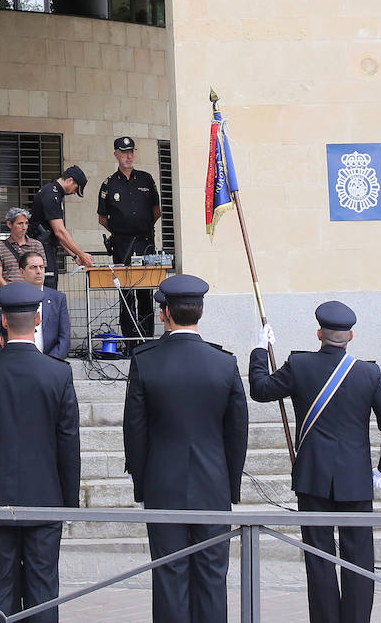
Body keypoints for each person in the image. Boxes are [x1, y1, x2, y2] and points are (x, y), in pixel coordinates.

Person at [249, 301, 381, 623]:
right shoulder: (368, 372)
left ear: (319, 333)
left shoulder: (299, 365)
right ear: (351, 336)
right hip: (355, 480)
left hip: (313, 477)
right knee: (359, 559)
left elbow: (260, 389)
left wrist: (260, 350)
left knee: (318, 558)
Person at [124, 274, 247, 623]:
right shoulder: (224, 363)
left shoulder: (146, 359)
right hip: (213, 485)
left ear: (164, 313)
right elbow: (237, 431)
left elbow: (135, 429)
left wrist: (141, 485)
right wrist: (230, 485)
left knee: (169, 575)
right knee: (212, 576)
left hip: (163, 484)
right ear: (201, 313)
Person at [0, 282, 80, 623]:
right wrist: (69, 502)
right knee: (43, 591)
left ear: (3, 321)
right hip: (45, 499)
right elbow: (68, 442)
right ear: (38, 319)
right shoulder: (58, 372)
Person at [96, 136, 161, 339]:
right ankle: (130, 340)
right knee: (125, 294)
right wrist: (122, 230)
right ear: (116, 154)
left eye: (131, 151)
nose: (129, 156)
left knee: (145, 292)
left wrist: (141, 227)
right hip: (122, 245)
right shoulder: (108, 184)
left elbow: (156, 211)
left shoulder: (146, 179)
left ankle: (147, 337)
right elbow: (102, 219)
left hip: (145, 243)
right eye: (124, 152)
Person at [28, 165, 93, 289]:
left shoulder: (54, 193)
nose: (74, 192)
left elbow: (55, 233)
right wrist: (81, 254)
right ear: (69, 180)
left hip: (47, 246)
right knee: (48, 286)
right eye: (75, 188)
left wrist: (75, 256)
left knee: (51, 286)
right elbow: (60, 232)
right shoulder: (51, 195)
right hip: (42, 249)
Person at [16, 252, 71, 361]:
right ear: (22, 272)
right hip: (20, 362)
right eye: (33, 267)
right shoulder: (13, 298)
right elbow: (3, 337)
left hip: (50, 362)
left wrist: (51, 361)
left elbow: (65, 337)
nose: (39, 271)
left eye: (41, 267)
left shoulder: (58, 299)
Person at [0, 207, 44, 288]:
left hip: (32, 292)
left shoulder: (37, 245)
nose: (24, 227)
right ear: (9, 224)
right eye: (20, 223)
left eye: (26, 223)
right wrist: (10, 293)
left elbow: (41, 272)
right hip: (10, 291)